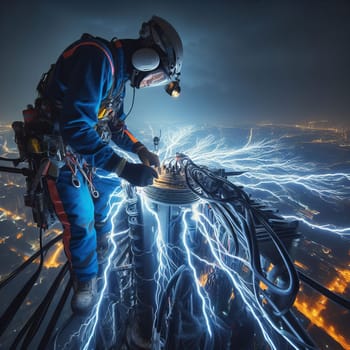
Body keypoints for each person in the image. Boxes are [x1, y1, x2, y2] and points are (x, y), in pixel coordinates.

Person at [38, 16, 183, 314]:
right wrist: (127, 168)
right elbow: (76, 129)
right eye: (157, 76)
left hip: (88, 155)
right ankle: (85, 281)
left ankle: (102, 237)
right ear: (147, 58)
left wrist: (139, 150)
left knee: (108, 186)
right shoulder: (97, 58)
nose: (151, 83)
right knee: (82, 220)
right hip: (67, 157)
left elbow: (114, 126)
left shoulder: (114, 76)